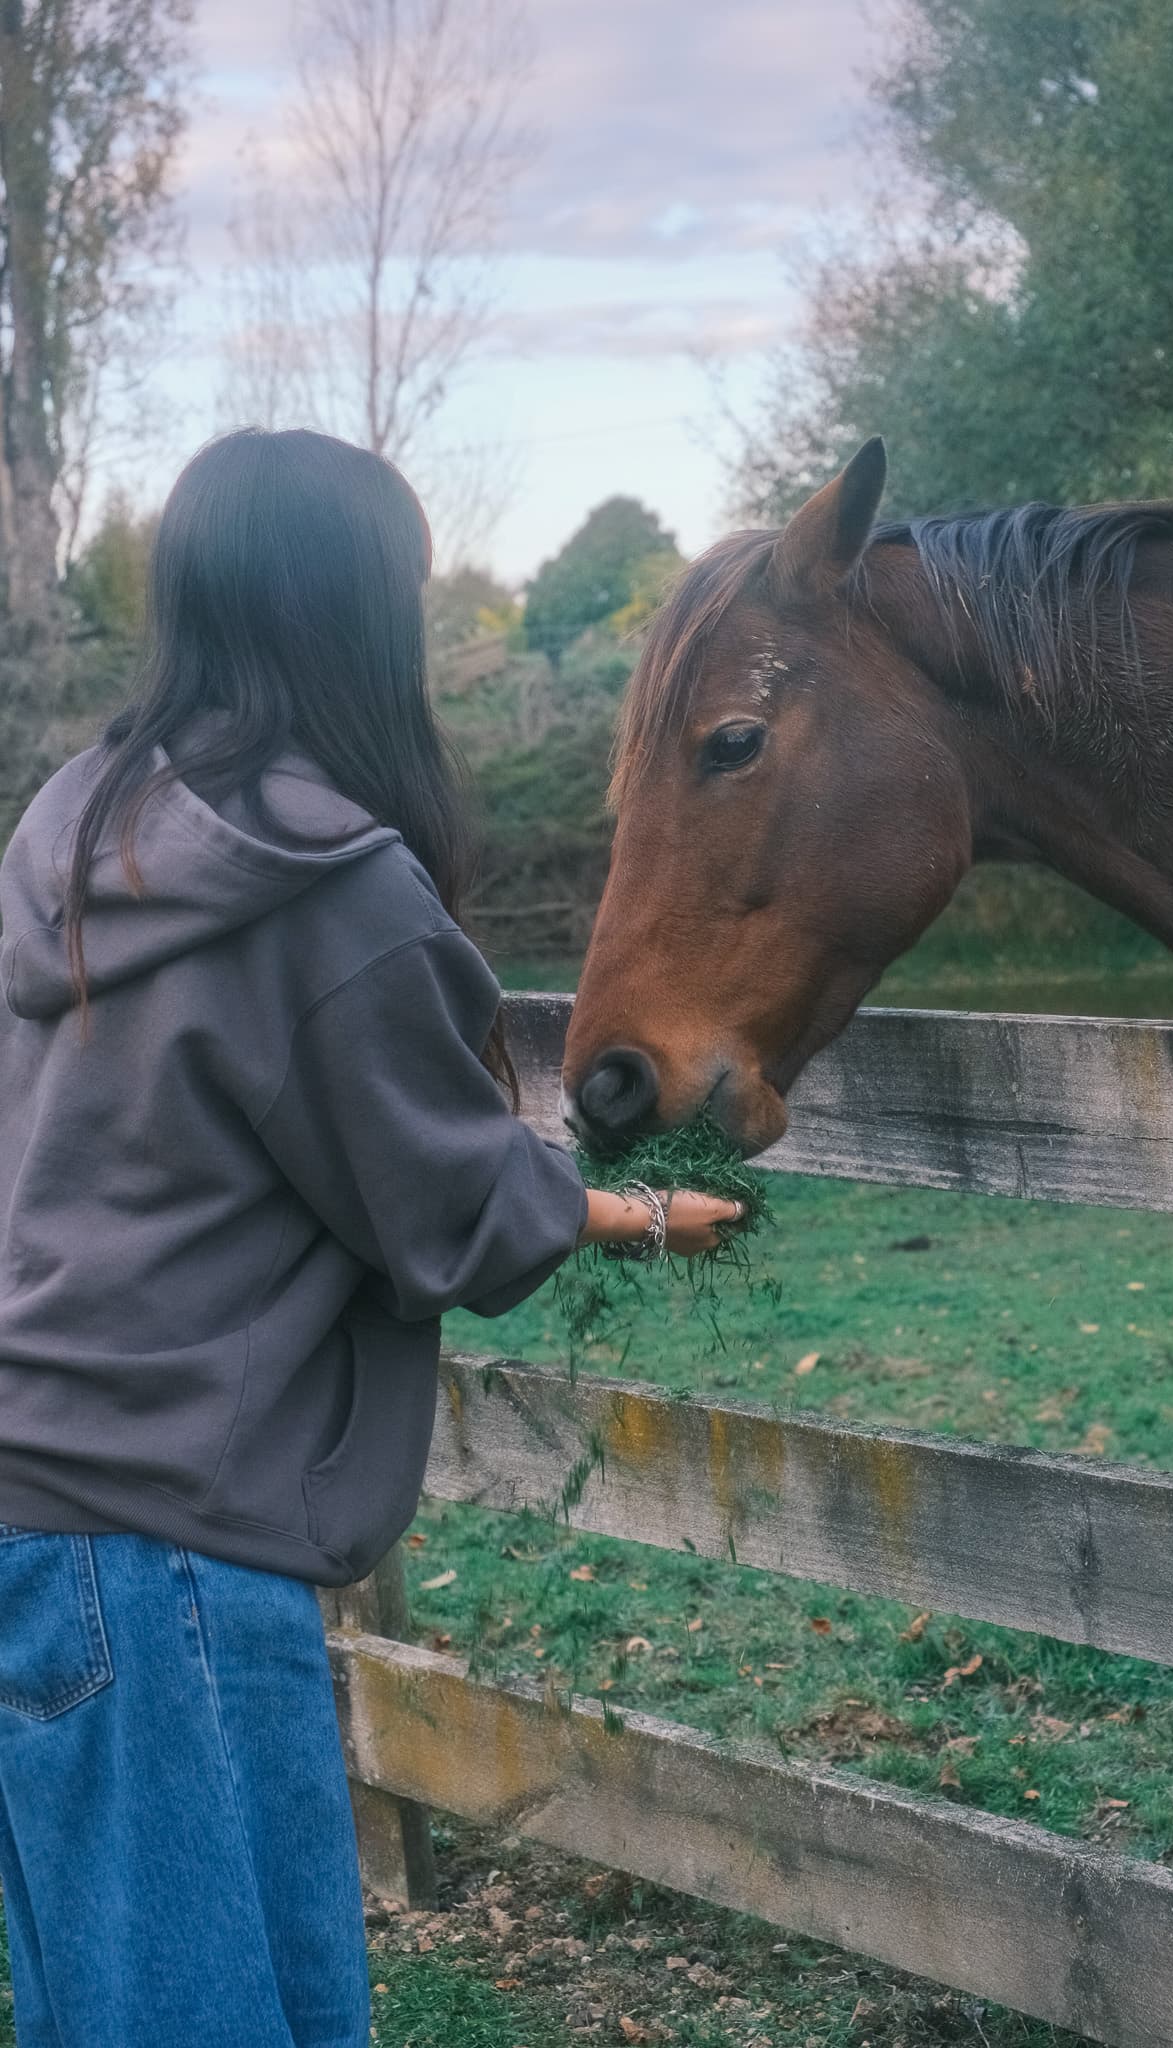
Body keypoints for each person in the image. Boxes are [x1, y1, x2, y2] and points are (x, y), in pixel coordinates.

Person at [0, 427, 737, 2048]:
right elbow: (447, 1203)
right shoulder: (325, 885)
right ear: (356, 616)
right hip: (164, 1536)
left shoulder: (75, 834)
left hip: (37, 1521)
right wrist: (635, 1211)